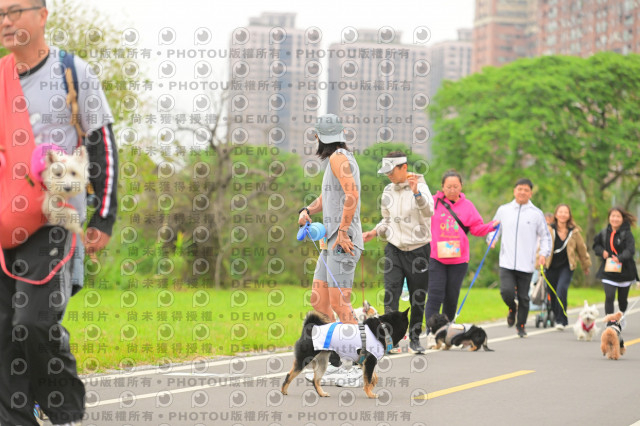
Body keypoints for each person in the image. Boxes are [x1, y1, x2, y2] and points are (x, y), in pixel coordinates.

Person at [0, 0, 118, 424]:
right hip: (3, 221)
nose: (6, 21)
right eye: (0, 14)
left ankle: (63, 409)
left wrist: (103, 216)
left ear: (43, 14)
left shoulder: (72, 72)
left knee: (33, 322)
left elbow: (102, 145)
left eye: (15, 11)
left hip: (54, 222)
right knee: (3, 330)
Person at [298, 113, 364, 385]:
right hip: (330, 242)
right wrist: (307, 210)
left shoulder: (338, 158)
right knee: (320, 301)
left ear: (318, 136)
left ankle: (356, 366)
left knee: (340, 304)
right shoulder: (336, 159)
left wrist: (344, 230)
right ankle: (334, 362)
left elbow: (352, 195)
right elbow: (328, 197)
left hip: (342, 242)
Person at [362, 151, 434, 353]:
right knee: (391, 293)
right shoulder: (388, 191)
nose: (389, 175)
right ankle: (390, 341)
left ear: (404, 167)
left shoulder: (421, 186)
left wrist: (416, 193)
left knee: (417, 297)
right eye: (386, 172)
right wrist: (374, 232)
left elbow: (429, 211)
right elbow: (386, 220)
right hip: (394, 249)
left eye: (392, 171)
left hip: (418, 250)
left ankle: (414, 338)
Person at [424, 170, 497, 329]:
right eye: (448, 187)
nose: (452, 190)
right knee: (435, 294)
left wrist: (491, 226)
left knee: (451, 297)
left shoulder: (468, 206)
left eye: (455, 186)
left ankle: (447, 330)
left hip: (459, 260)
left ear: (461, 186)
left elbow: (476, 228)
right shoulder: (433, 202)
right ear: (442, 187)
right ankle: (431, 331)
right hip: (436, 257)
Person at [487, 178, 551, 338]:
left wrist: (544, 254)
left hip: (526, 263)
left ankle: (521, 326)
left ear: (530, 193)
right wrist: (491, 240)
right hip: (506, 261)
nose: (522, 192)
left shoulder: (536, 213)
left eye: (526, 190)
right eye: (519, 189)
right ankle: (512, 308)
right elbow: (494, 228)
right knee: (506, 292)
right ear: (514, 191)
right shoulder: (504, 210)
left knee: (523, 297)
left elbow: (545, 236)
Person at [544, 204, 591, 330]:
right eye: (560, 212)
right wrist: (539, 261)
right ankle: (557, 316)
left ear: (569, 215)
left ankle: (562, 320)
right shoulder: (549, 229)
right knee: (552, 294)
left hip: (566, 267)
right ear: (556, 214)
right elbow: (541, 246)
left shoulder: (574, 232)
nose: (563, 214)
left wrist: (585, 265)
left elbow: (582, 249)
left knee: (561, 291)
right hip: (550, 266)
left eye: (566, 212)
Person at [592, 206, 638, 324]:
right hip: (608, 271)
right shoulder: (603, 233)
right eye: (613, 216)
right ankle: (611, 323)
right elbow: (595, 246)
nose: (615, 219)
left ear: (622, 219)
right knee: (609, 296)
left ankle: (621, 315)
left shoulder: (627, 234)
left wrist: (619, 258)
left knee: (622, 300)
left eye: (618, 216)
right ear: (609, 218)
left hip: (625, 272)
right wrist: (602, 252)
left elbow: (630, 250)